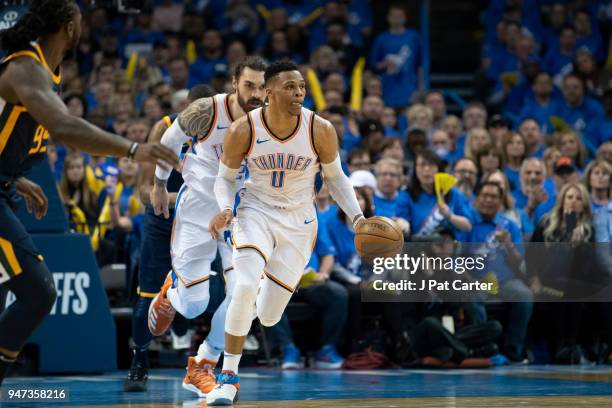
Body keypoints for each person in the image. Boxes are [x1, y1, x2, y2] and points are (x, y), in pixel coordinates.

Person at [0, 0, 179, 387]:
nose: (85, 27)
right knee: (38, 292)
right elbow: (64, 126)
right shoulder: (24, 68)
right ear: (67, 26)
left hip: (4, 187)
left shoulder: (48, 71)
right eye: (79, 20)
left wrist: (14, 178)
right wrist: (133, 149)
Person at [205, 60, 365, 405]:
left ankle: (255, 295)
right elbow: (224, 179)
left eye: (302, 87)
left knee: (269, 315)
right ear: (268, 91)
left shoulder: (319, 129)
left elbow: (335, 179)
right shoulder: (243, 129)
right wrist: (226, 208)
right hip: (255, 213)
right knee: (244, 286)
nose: (299, 93)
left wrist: (357, 217)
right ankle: (228, 377)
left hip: (299, 223)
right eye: (291, 87)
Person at [147, 57, 267, 398]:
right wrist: (159, 185)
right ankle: (173, 293)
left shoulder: (272, 120)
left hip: (241, 215)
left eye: (262, 87)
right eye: (249, 85)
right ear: (234, 83)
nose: (257, 93)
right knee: (195, 305)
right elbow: (168, 142)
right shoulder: (206, 111)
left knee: (248, 295)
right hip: (198, 210)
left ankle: (202, 364)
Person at [123, 84, 214, 392]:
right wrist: (191, 197)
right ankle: (139, 362)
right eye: (195, 115)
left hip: (198, 222)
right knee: (146, 295)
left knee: (222, 291)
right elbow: (144, 194)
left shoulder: (223, 131)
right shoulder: (163, 129)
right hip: (163, 221)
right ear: (185, 111)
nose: (202, 120)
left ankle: (212, 364)